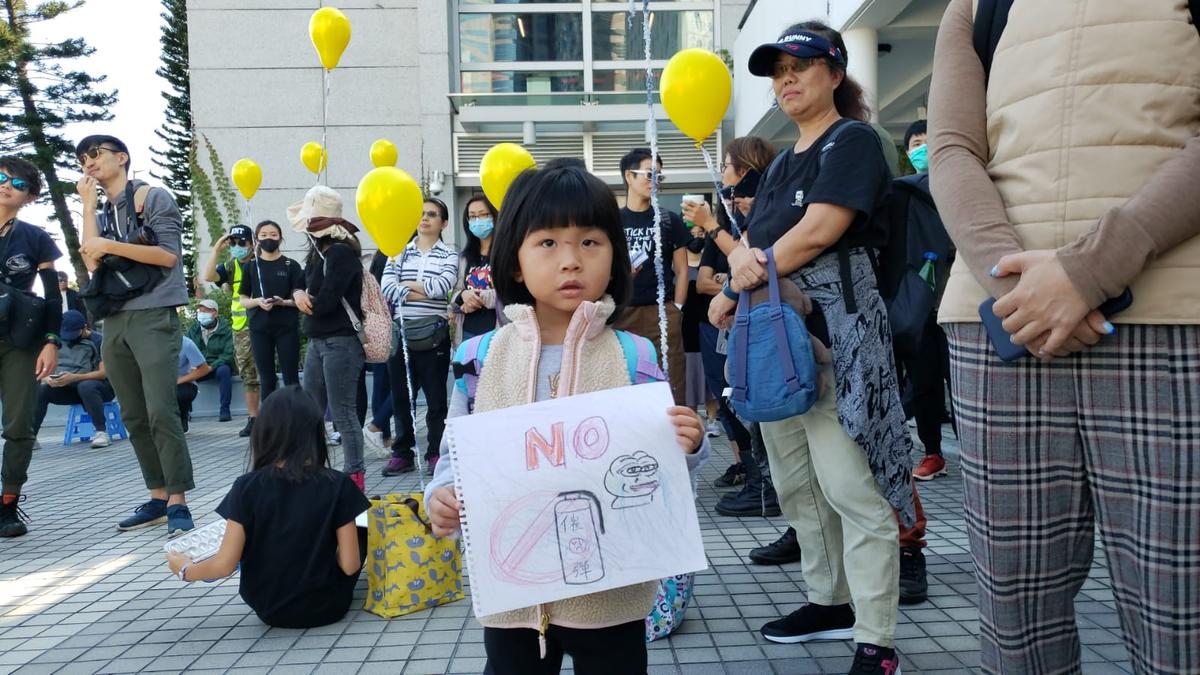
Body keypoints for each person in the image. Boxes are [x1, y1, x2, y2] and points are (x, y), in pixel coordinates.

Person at [928, 1, 1200, 672]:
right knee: (1013, 625)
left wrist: (1089, 268)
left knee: (1181, 622)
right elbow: (951, 148)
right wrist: (1019, 286)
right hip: (1002, 327)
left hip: (1168, 314)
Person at [425, 160, 709, 675]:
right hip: (513, 596)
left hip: (612, 593)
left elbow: (663, 469)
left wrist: (690, 444)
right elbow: (457, 454)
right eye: (548, 243)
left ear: (614, 257)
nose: (571, 261)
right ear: (515, 262)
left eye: (590, 242)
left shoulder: (635, 355)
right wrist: (440, 495)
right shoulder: (480, 356)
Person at [704, 23, 915, 674]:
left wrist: (747, 270)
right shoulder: (784, 161)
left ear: (834, 71)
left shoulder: (851, 142)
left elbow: (823, 227)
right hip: (775, 344)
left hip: (838, 340)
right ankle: (830, 601)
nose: (786, 78)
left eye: (801, 65)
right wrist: (732, 295)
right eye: (777, 70)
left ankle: (876, 639)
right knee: (797, 486)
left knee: (853, 490)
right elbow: (759, 251)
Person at [165, 386, 370, 628]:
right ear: (315, 433)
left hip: (269, 607)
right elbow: (350, 565)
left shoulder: (246, 487)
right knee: (361, 525)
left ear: (264, 433)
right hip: (329, 606)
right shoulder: (338, 484)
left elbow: (224, 565)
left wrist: (185, 570)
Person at [76, 135, 195, 537]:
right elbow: (91, 257)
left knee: (161, 408)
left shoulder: (151, 197)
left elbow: (168, 256)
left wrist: (110, 243)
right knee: (132, 414)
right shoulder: (103, 209)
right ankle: (158, 495)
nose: (88, 162)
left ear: (122, 157)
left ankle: (178, 500)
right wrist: (89, 208)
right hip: (115, 317)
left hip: (153, 314)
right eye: (82, 158)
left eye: (96, 154)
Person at [689, 137, 773, 511]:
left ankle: (768, 489)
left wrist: (710, 225)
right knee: (732, 400)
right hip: (733, 326)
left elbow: (749, 262)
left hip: (768, 324)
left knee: (764, 404)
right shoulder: (731, 220)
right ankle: (758, 478)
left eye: (727, 165)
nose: (723, 174)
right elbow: (708, 277)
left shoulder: (769, 210)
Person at [288, 185, 367, 493]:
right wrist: (298, 294)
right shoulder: (319, 253)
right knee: (312, 410)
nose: (306, 227)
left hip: (340, 342)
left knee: (343, 412)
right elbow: (301, 282)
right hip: (319, 342)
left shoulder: (341, 253)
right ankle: (311, 469)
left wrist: (304, 300)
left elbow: (327, 301)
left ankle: (354, 477)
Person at [0, 156, 63, 538]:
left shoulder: (35, 237)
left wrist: (51, 341)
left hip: (19, 341)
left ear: (31, 196)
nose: (6, 185)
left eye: (17, 183)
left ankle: (7, 504)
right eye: (0, 177)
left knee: (19, 426)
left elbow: (53, 296)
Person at [380, 198, 458, 477]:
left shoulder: (450, 255)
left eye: (432, 215)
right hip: (402, 333)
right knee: (402, 397)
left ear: (443, 223)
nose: (425, 219)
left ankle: (435, 452)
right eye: (421, 214)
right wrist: (421, 290)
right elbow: (386, 287)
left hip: (433, 334)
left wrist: (407, 286)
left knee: (436, 398)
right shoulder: (398, 252)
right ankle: (402, 452)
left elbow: (443, 287)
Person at [895, 119, 955, 482]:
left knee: (961, 380)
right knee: (923, 382)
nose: (922, 148)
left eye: (928, 141)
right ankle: (932, 451)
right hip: (920, 308)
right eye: (916, 143)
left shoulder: (958, 186)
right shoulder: (905, 195)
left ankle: (975, 450)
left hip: (955, 303)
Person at [616, 148, 690, 406]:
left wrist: (677, 308)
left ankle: (673, 440)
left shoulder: (669, 220)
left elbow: (682, 270)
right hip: (621, 312)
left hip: (662, 312)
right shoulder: (613, 221)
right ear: (629, 176)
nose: (654, 181)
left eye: (659, 176)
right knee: (623, 380)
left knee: (671, 381)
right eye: (649, 174)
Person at [203, 224, 260, 436]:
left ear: (253, 244)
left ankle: (273, 418)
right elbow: (209, 277)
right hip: (241, 329)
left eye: (241, 242)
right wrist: (216, 249)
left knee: (266, 373)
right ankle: (254, 418)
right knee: (248, 375)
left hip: (262, 325)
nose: (237, 247)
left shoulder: (261, 263)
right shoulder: (231, 266)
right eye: (233, 243)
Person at [238, 220, 304, 403]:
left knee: (291, 378)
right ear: (257, 240)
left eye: (274, 235)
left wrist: (284, 302)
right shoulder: (251, 266)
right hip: (259, 328)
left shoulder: (292, 265)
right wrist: (257, 301)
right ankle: (269, 424)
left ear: (281, 239)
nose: (269, 238)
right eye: (264, 235)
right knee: (267, 379)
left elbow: (301, 300)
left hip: (286, 328)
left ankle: (295, 420)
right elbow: (243, 300)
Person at [33, 310, 115, 448]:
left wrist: (75, 377)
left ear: (84, 328)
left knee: (86, 386)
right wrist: (48, 378)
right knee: (42, 390)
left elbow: (104, 373)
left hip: (100, 389)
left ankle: (101, 432)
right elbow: (41, 369)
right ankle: (31, 437)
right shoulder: (56, 342)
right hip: (69, 388)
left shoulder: (98, 340)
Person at [451, 193, 500, 346]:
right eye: (472, 216)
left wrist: (477, 297)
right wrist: (463, 295)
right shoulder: (464, 258)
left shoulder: (507, 254)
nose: (477, 221)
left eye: (483, 215)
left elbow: (511, 294)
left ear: (494, 216)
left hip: (497, 334)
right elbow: (454, 296)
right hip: (467, 334)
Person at [185, 299, 235, 421]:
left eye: (206, 311)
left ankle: (224, 410)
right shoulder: (194, 330)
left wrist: (211, 367)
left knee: (224, 371)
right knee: (184, 377)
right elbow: (186, 350)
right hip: (199, 367)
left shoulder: (226, 330)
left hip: (216, 366)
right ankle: (185, 413)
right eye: (200, 311)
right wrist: (194, 366)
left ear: (215, 313)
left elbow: (228, 354)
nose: (201, 314)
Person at [175, 336, 210, 434]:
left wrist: (179, 380)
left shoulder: (186, 343)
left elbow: (204, 369)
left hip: (183, 384)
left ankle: (183, 417)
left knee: (182, 393)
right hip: (156, 385)